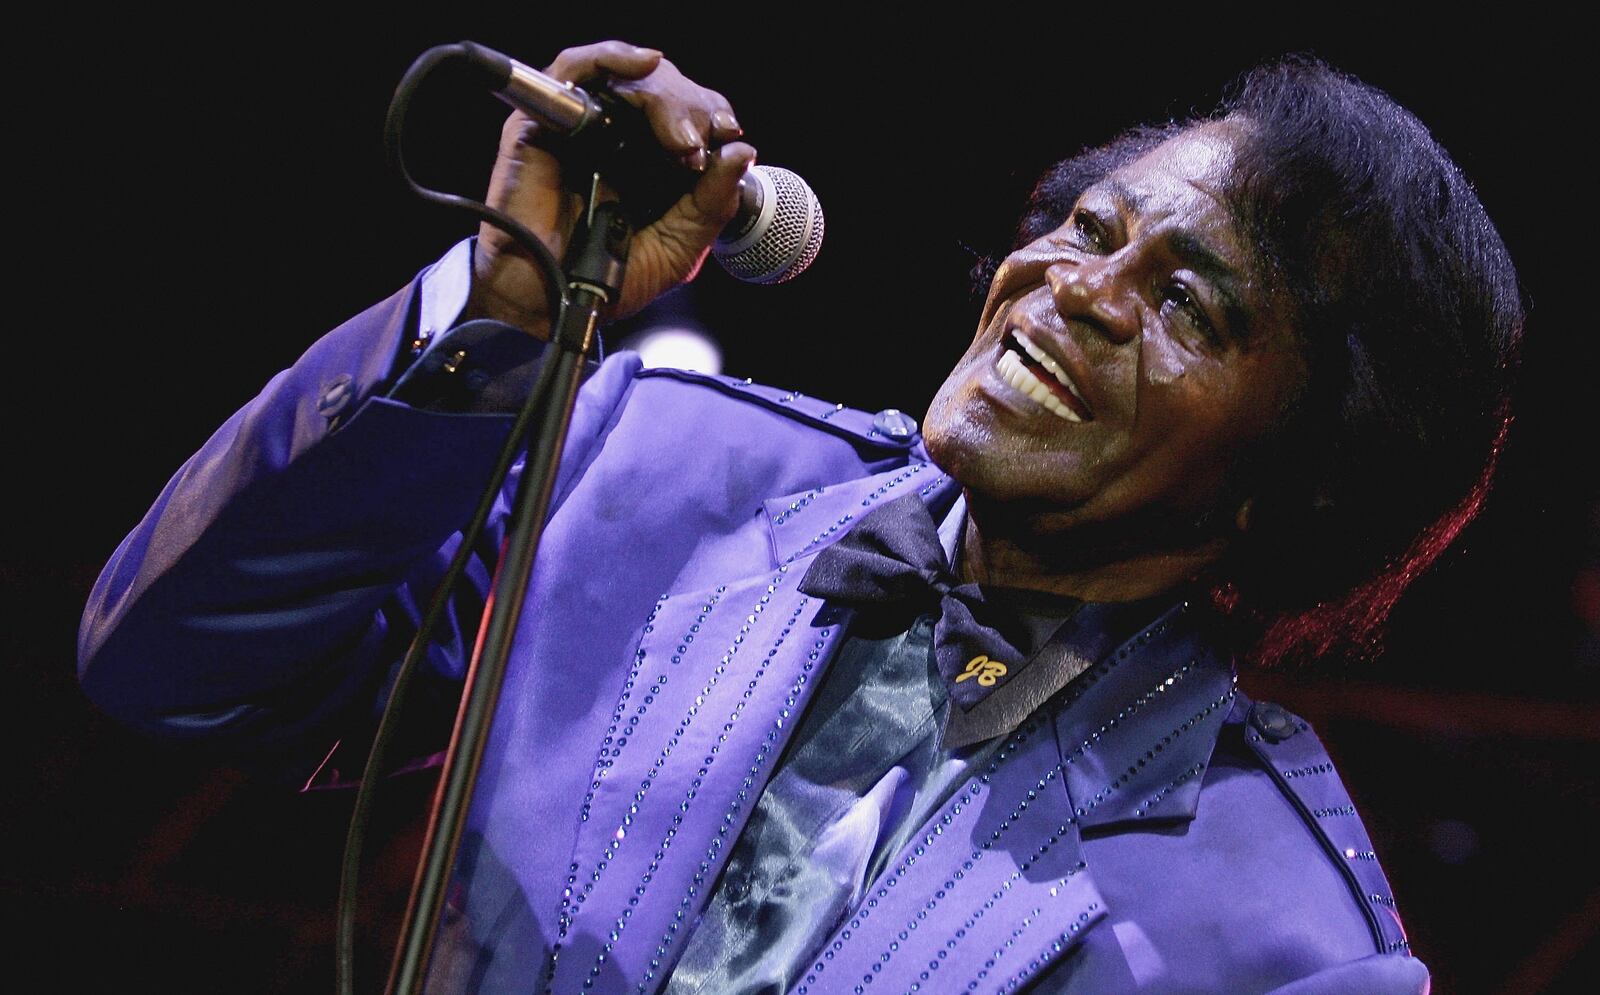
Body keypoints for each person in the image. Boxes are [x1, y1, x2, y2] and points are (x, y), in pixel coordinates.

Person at [78, 40, 1520, 994]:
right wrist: (506, 309)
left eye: (1188, 303)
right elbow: (174, 667)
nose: (1076, 288)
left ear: (1312, 474)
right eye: (1087, 227)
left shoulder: (1284, 944)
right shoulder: (653, 465)